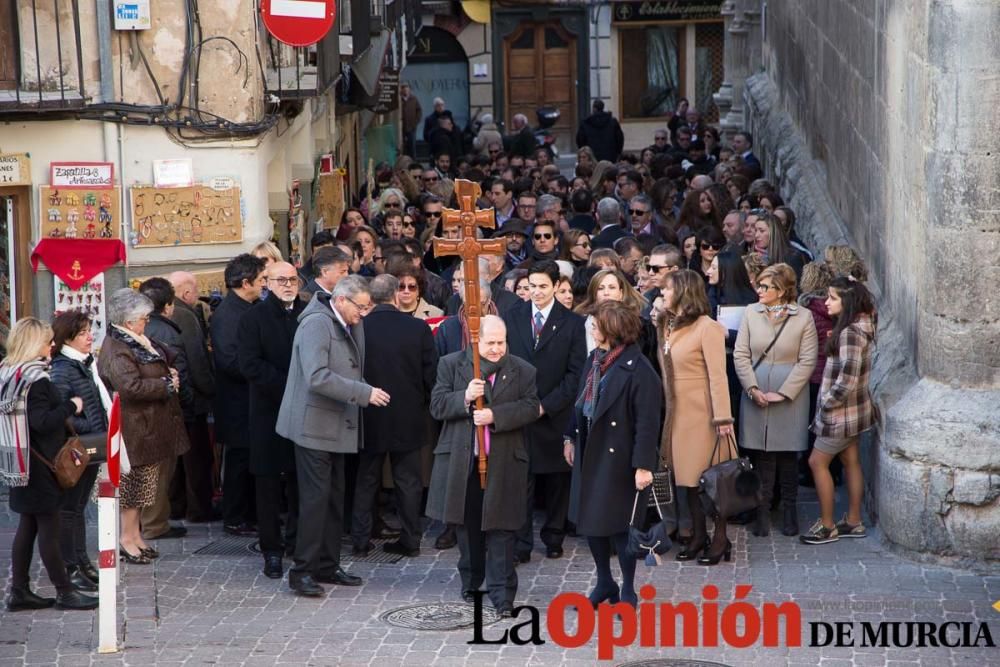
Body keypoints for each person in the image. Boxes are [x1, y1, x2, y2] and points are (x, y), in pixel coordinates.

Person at [277, 276, 387, 596]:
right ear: (340, 300)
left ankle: (327, 564)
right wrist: (363, 393)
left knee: (334, 497)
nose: (365, 313)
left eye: (369, 307)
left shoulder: (348, 320)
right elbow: (317, 376)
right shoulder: (316, 324)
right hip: (314, 427)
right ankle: (302, 571)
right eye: (361, 306)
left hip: (336, 424)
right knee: (315, 500)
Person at [427, 315, 539, 616]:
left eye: (501, 343)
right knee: (468, 527)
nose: (496, 349)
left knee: (502, 529)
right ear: (476, 341)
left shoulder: (522, 370)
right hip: (465, 463)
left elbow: (531, 407)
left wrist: (495, 415)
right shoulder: (451, 364)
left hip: (504, 464)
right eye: (490, 343)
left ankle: (503, 595)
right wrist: (464, 397)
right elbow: (437, 405)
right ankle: (473, 581)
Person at [564, 302, 661, 607]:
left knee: (621, 527)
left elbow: (647, 423)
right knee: (592, 522)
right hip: (591, 450)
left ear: (611, 330)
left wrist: (644, 465)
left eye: (596, 326)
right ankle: (605, 581)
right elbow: (579, 401)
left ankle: (629, 589)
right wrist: (570, 436)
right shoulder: (595, 359)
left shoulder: (639, 370)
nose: (591, 331)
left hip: (620, 460)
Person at [2, 318, 97, 611]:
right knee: (49, 530)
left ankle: (19, 591)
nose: (52, 345)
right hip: (40, 465)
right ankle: (65, 591)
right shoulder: (36, 379)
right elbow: (42, 422)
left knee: (27, 527)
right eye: (47, 341)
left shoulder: (9, 372)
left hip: (19, 461)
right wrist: (72, 406)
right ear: (34, 344)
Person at [504, 261, 587, 562]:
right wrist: (523, 404)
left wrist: (546, 404)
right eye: (532, 286)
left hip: (555, 412)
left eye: (542, 286)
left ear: (555, 286)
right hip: (521, 411)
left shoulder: (573, 323)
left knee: (556, 481)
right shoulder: (512, 316)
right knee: (521, 480)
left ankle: (554, 536)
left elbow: (576, 373)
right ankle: (521, 543)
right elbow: (505, 362)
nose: (536, 293)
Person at [99, 289, 189, 564]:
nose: (147, 322)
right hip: (135, 428)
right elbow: (129, 387)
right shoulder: (118, 348)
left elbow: (145, 372)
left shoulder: (134, 341)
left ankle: (135, 536)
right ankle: (127, 539)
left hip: (148, 426)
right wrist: (164, 384)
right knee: (133, 486)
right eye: (144, 318)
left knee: (142, 487)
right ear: (128, 322)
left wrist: (166, 374)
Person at [353, 275, 438, 558]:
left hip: (368, 414)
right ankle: (411, 540)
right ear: (394, 295)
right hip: (408, 415)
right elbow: (431, 376)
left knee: (366, 480)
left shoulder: (359, 328)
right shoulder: (417, 328)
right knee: (408, 483)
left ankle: (361, 541)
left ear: (372, 297)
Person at [733, 264, 818, 538]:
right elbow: (741, 354)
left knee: (788, 455)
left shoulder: (803, 317)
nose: (759, 290)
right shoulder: (750, 312)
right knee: (762, 455)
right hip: (756, 390)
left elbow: (807, 361)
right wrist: (752, 387)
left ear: (781, 291)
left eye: (765, 286)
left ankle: (790, 511)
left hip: (789, 395)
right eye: (759, 285)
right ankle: (762, 511)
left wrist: (783, 393)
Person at [657, 270, 735, 566]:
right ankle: (700, 535)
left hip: (704, 413)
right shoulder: (672, 326)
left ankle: (720, 539)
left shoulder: (708, 327)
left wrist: (723, 417)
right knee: (688, 480)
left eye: (667, 289)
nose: (663, 293)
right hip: (679, 414)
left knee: (710, 482)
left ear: (684, 292)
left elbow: (718, 376)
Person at [238, 261, 305, 580]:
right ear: (267, 283)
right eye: (281, 280)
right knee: (267, 484)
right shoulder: (254, 318)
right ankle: (272, 550)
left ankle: (296, 542)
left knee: (298, 481)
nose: (288, 285)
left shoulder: (308, 312)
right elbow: (249, 364)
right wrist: (288, 385)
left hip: (304, 411)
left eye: (293, 279)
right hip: (268, 410)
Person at [801, 276, 877, 545]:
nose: (826, 302)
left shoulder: (850, 333)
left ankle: (827, 525)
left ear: (847, 302)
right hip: (853, 412)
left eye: (832, 298)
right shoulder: (857, 326)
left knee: (816, 462)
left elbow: (847, 379)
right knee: (850, 460)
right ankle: (854, 521)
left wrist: (827, 403)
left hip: (842, 414)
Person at [48, 312, 108, 592]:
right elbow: (63, 413)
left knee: (79, 507)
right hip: (79, 446)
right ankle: (71, 565)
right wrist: (88, 427)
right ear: (68, 337)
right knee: (70, 508)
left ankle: (82, 561)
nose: (90, 336)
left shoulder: (82, 363)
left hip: (91, 445)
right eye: (83, 332)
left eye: (89, 331)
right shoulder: (63, 367)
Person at [211, 254, 267, 537]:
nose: (264, 285)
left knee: (249, 460)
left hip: (250, 400)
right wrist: (262, 370)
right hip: (237, 402)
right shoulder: (227, 315)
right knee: (239, 462)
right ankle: (234, 517)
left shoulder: (249, 308)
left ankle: (249, 514)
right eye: (261, 280)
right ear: (246, 283)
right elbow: (229, 361)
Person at [137, 278, 191, 542]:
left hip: (144, 412)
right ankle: (154, 525)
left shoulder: (137, 332)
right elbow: (180, 374)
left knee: (149, 469)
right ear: (168, 306)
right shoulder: (168, 333)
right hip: (159, 409)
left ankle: (147, 523)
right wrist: (187, 399)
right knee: (159, 470)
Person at [166, 271, 216, 523]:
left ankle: (178, 506)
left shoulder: (165, 313)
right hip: (191, 399)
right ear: (186, 293)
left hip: (174, 399)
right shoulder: (185, 315)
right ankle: (199, 509)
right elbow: (196, 359)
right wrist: (210, 388)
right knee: (196, 458)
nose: (198, 296)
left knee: (180, 459)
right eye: (195, 291)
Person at [797, 261, 837, 487]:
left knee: (811, 425)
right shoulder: (834, 308)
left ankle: (809, 471)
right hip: (829, 374)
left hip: (813, 374)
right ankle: (832, 468)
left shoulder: (808, 311)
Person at [400, 82, 422, 157]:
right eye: (404, 89)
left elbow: (419, 110)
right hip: (401, 127)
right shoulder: (399, 100)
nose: (405, 91)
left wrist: (416, 122)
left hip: (412, 127)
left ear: (409, 90)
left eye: (407, 89)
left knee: (412, 146)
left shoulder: (414, 99)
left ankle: (413, 163)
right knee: (402, 146)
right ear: (401, 90)